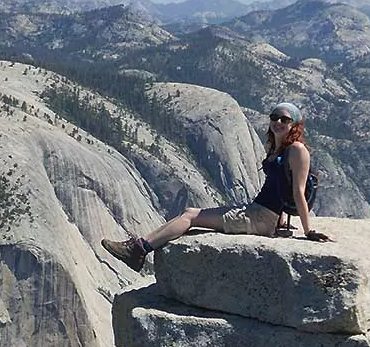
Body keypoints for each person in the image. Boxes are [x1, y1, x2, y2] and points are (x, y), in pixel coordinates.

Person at [101, 102, 332, 272]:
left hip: (260, 218)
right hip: (257, 211)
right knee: (189, 213)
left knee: (191, 216)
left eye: (285, 119)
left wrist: (308, 230)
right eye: (275, 117)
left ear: (295, 125)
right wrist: (281, 219)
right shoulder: (277, 148)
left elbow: (297, 191)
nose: (278, 122)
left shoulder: (297, 151)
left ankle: (139, 250)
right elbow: (279, 185)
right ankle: (139, 247)